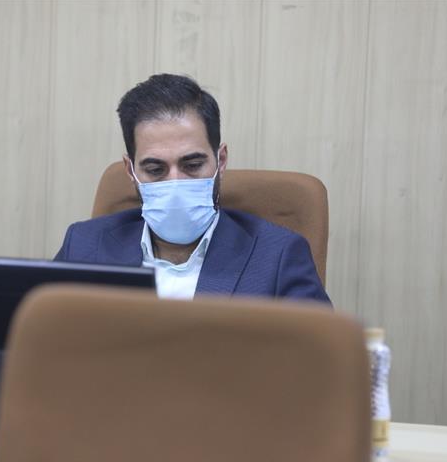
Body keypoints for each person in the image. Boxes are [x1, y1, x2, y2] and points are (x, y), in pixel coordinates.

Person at [55, 74, 330, 304]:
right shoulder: (83, 245)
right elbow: (41, 338)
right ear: (131, 171)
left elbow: (320, 350)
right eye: (155, 169)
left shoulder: (278, 255)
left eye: (192, 165)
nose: (175, 182)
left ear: (221, 160)